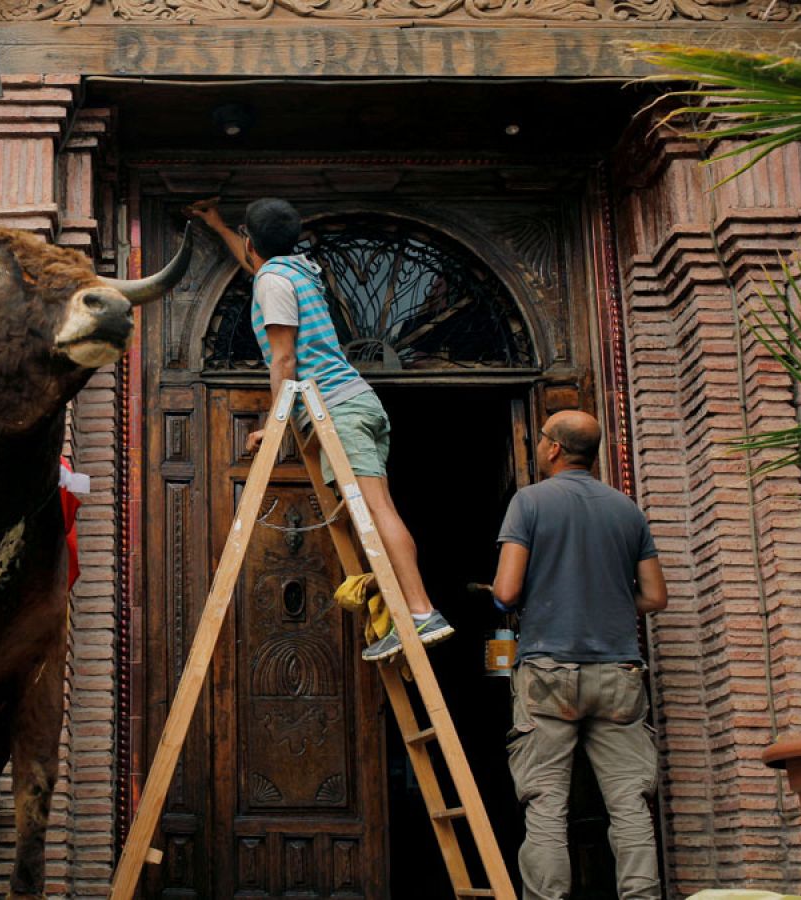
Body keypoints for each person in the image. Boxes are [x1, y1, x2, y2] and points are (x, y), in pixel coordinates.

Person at [189, 197, 453, 662]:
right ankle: (406, 611)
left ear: (252, 242)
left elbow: (285, 357)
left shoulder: (273, 279)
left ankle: (421, 612)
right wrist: (216, 225)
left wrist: (274, 421)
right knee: (371, 511)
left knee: (374, 509)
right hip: (352, 403)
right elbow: (259, 267)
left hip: (337, 408)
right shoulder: (295, 270)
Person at [491, 409, 668, 900]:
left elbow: (506, 590)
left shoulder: (529, 503)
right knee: (630, 804)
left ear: (552, 448)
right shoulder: (626, 509)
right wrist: (607, 597)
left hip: (547, 670)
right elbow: (655, 596)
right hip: (618, 674)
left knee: (547, 804)